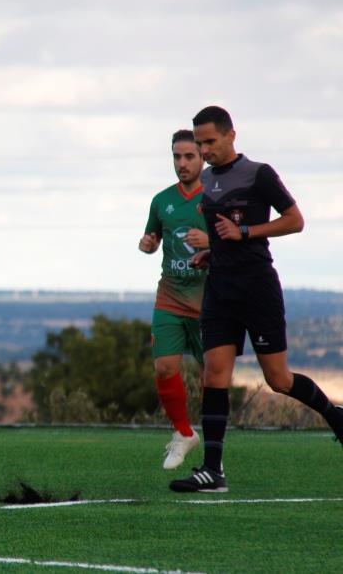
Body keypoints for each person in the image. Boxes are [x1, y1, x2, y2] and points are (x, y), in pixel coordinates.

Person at [169, 105, 343, 493]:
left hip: (257, 288)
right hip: (220, 289)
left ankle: (335, 415)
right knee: (214, 373)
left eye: (210, 142)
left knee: (278, 380)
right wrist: (212, 251)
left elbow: (295, 220)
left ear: (232, 135)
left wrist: (245, 231)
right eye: (199, 143)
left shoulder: (259, 174)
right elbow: (221, 233)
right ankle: (212, 472)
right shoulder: (208, 180)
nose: (204, 150)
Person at [138, 129, 209, 470]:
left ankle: (213, 445)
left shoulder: (216, 196)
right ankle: (183, 434)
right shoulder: (161, 200)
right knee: (165, 366)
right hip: (170, 296)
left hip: (211, 300)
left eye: (189, 157)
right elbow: (152, 236)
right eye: (176, 157)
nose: (182, 163)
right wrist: (148, 244)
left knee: (212, 373)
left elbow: (240, 240)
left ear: (202, 157)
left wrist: (209, 241)